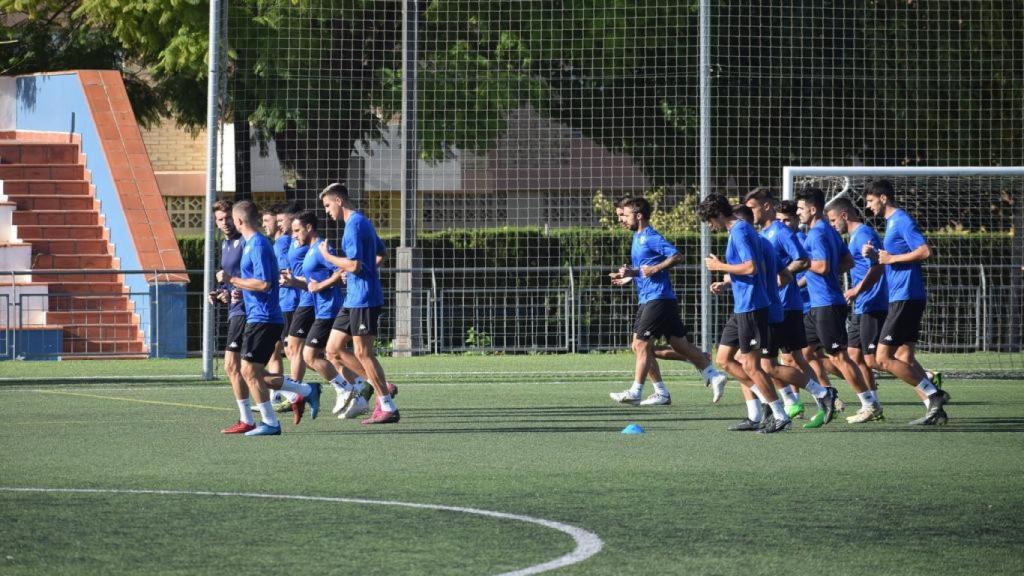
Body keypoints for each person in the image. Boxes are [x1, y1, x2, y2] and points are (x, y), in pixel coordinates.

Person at [607, 197, 728, 407]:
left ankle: (637, 391)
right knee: (678, 344)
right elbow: (644, 268)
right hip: (657, 298)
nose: (621, 220)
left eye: (624, 215)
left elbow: (676, 256)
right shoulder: (637, 237)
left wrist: (653, 269)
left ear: (638, 215)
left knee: (640, 344)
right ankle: (711, 374)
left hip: (657, 298)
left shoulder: (650, 236)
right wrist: (630, 275)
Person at [217, 200, 322, 436]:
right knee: (249, 371)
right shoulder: (250, 244)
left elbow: (264, 284)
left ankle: (271, 422)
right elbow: (254, 281)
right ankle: (304, 391)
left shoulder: (258, 245)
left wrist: (232, 280)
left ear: (240, 220)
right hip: (256, 315)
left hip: (264, 317)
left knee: (249, 371)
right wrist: (233, 290)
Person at [696, 194, 790, 433]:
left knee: (752, 366)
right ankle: (763, 404)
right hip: (742, 306)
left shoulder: (740, 231)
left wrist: (720, 267)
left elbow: (751, 267)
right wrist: (726, 278)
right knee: (725, 360)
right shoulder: (736, 231)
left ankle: (780, 413)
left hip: (752, 306)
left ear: (717, 214)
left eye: (709, 220)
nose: (709, 226)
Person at [862, 179, 951, 425]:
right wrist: (877, 256)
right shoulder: (891, 224)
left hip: (906, 297)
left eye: (870, 201)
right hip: (903, 297)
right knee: (905, 358)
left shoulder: (901, 220)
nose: (868, 206)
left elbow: (924, 251)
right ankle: (935, 411)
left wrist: (891, 258)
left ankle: (935, 394)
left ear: (883, 198)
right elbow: (892, 258)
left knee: (881, 360)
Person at [744, 189, 833, 421]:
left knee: (767, 364)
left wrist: (780, 276)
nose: (749, 212)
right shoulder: (763, 233)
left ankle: (815, 397)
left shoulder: (779, 231)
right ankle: (809, 401)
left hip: (784, 307)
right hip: (776, 305)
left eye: (752, 207)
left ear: (765, 207)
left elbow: (802, 259)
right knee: (786, 360)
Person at [318, 183, 400, 425]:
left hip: (364, 299)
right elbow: (379, 254)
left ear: (339, 201)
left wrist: (330, 258)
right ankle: (382, 385)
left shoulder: (354, 225)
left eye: (327, 205)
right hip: (353, 298)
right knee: (332, 350)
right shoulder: (361, 222)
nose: (326, 211)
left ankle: (387, 405)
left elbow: (354, 264)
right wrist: (358, 272)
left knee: (363, 353)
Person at [795, 187, 869, 428]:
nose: (798, 212)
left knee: (840, 358)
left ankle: (869, 403)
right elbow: (847, 261)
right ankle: (827, 395)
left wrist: (804, 264)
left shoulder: (817, 233)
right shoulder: (827, 230)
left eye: (800, 208)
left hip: (827, 304)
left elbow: (824, 265)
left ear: (813, 209)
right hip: (818, 304)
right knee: (804, 353)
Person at [286, 210, 370, 419]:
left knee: (310, 356)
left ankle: (350, 387)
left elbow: (341, 270)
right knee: (331, 356)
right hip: (321, 308)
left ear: (308, 228)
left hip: (330, 309)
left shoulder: (322, 248)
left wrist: (324, 284)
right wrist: (294, 282)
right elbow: (313, 284)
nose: (294, 235)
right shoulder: (311, 250)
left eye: (297, 230)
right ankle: (359, 386)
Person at [825, 197, 890, 423]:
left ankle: (925, 378)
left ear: (844, 215)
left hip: (873, 302)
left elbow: (878, 267)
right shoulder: (854, 237)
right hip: (862, 304)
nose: (832, 225)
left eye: (833, 220)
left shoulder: (863, 234)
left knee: (874, 360)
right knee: (854, 356)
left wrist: (856, 290)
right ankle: (872, 405)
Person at [211, 200, 254, 434]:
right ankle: (301, 391)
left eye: (227, 217)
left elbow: (257, 277)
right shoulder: (227, 245)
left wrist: (238, 290)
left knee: (233, 366)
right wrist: (220, 294)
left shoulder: (249, 242)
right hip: (235, 309)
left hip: (247, 310)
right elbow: (231, 279)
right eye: (219, 219)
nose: (225, 222)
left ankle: (248, 419)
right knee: (248, 369)